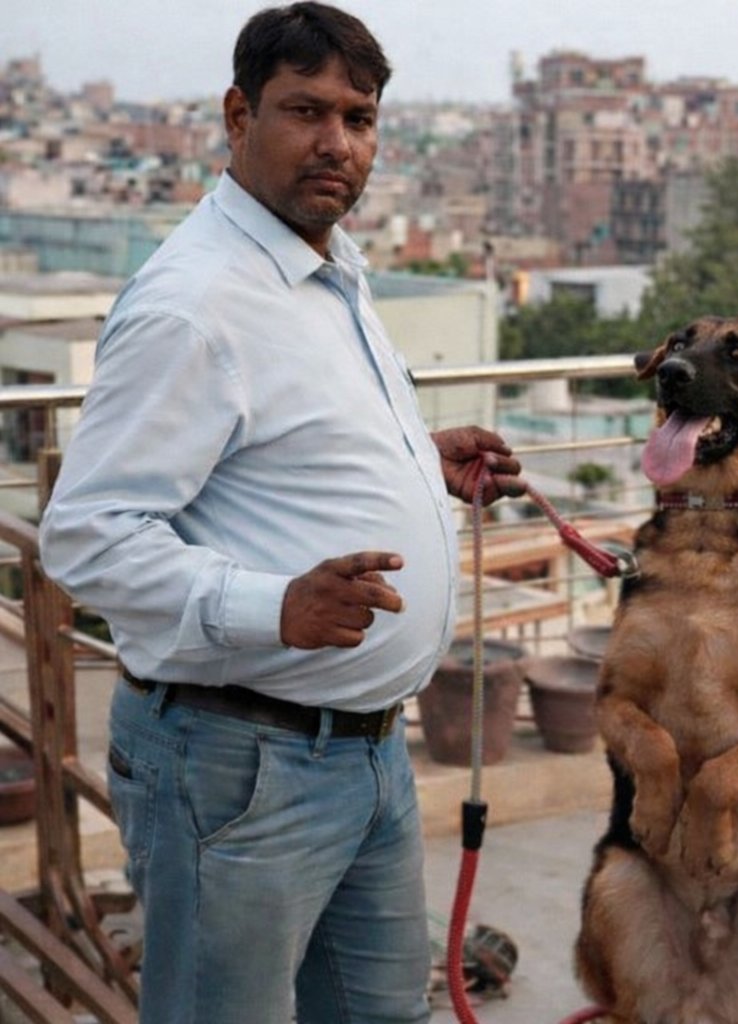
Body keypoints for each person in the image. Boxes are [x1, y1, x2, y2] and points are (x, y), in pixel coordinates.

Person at [39, 4, 523, 1022]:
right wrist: (273, 606)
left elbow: (274, 442)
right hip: (240, 767)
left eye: (360, 115)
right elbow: (85, 532)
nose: (337, 142)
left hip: (364, 755)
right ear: (236, 114)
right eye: (305, 110)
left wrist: (413, 462)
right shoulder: (194, 301)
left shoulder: (325, 265)